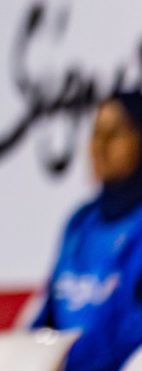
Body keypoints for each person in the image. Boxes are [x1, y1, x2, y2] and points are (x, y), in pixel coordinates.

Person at [30, 92, 142, 371]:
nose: (99, 146)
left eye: (114, 133)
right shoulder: (81, 222)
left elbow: (134, 332)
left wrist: (70, 358)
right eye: (95, 133)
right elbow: (47, 316)